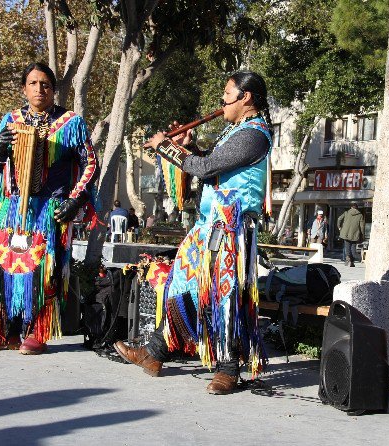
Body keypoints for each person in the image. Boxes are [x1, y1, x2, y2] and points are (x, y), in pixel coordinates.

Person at [114, 71, 273, 394]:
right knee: (181, 285)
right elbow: (211, 167)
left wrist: (165, 148)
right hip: (207, 227)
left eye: (227, 94)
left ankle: (229, 368)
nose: (222, 101)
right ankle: (156, 351)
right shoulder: (235, 131)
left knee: (225, 297)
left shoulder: (255, 134)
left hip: (231, 230)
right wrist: (190, 147)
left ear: (246, 98)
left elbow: (206, 168)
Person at [0, 62, 97, 354]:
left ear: (53, 90)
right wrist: (1, 148)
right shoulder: (11, 120)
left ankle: (36, 333)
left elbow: (90, 163)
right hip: (12, 207)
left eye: (45, 84)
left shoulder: (71, 122)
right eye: (33, 83)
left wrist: (75, 199)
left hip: (50, 207)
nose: (39, 89)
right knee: (3, 265)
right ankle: (4, 330)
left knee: (44, 268)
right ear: (23, 88)